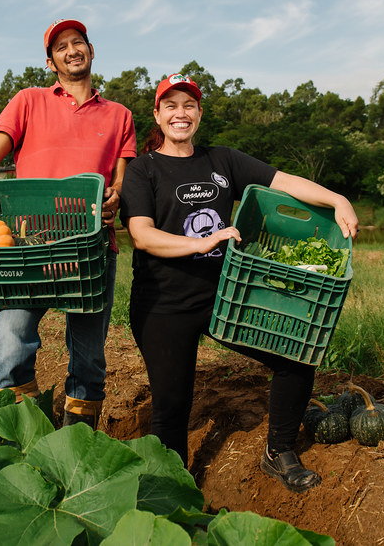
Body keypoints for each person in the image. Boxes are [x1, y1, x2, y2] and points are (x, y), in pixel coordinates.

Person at [119, 72, 358, 493]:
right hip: (164, 303)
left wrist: (337, 198)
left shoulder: (222, 160)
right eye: (170, 105)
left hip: (224, 295)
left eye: (188, 105)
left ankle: (278, 451)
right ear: (157, 115)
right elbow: (142, 235)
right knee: (172, 408)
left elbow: (284, 182)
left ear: (199, 113)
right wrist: (205, 240)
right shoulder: (143, 170)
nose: (180, 113)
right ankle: (175, 494)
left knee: (296, 355)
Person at [0, 19, 137, 429]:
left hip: (88, 248)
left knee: (89, 355)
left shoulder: (120, 115)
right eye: (61, 47)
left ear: (92, 51)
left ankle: (76, 442)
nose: (72, 50)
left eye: (79, 43)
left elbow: (121, 181)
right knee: (10, 341)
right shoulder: (28, 101)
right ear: (50, 61)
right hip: (28, 245)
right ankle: (30, 432)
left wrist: (116, 197)